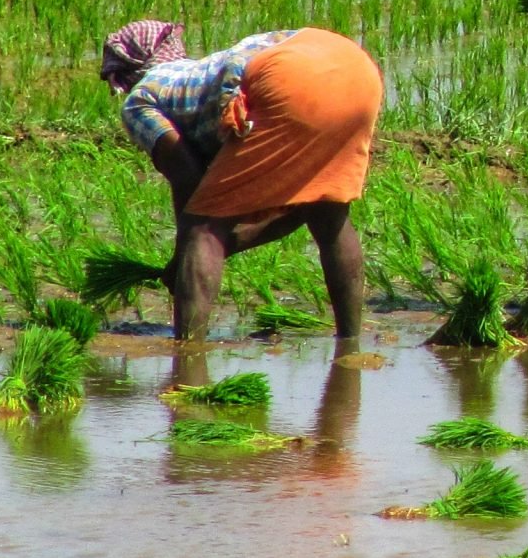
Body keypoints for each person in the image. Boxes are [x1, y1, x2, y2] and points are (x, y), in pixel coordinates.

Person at [100, 20, 383, 344]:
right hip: (353, 69)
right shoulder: (202, 70)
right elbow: (289, 209)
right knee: (327, 213)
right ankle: (350, 344)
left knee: (204, 229)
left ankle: (188, 357)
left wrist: (186, 255)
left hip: (288, 78)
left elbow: (187, 176)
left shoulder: (140, 100)